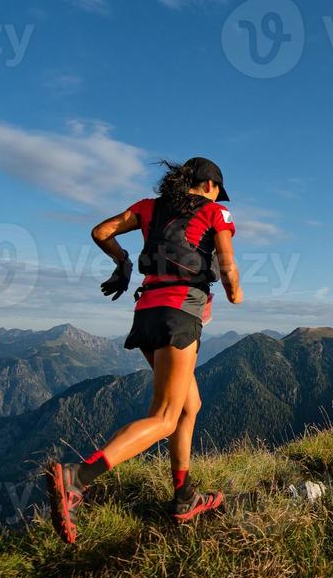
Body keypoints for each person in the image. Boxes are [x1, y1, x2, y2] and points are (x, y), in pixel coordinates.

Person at [43, 157, 244, 543]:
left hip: (146, 313)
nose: (218, 195)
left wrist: (122, 262)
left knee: (189, 405)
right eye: (218, 189)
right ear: (208, 185)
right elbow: (227, 264)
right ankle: (77, 479)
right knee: (166, 417)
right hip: (179, 314)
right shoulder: (217, 212)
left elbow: (101, 231)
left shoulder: (147, 207)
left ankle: (184, 496)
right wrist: (234, 293)